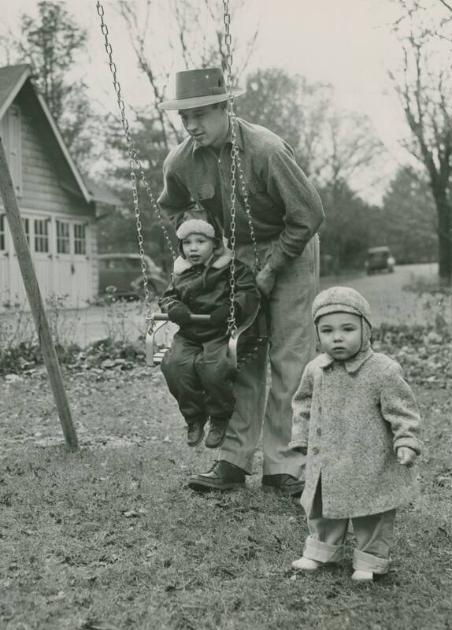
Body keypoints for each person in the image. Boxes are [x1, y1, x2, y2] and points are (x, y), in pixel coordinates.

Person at [158, 67, 324, 495]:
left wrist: (271, 270)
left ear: (224, 109)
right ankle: (233, 460)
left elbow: (308, 215)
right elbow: (172, 207)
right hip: (236, 256)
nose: (192, 126)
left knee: (289, 356)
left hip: (292, 245)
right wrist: (198, 240)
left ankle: (283, 465)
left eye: (201, 115)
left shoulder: (266, 150)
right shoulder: (180, 161)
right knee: (238, 354)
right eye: (185, 118)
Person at [289, 286, 422, 582]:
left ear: (366, 329)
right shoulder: (316, 369)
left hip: (369, 459)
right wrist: (301, 438)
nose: (337, 337)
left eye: (348, 329)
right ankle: (320, 550)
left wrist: (406, 440)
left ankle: (370, 559)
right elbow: (303, 405)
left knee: (371, 510)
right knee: (321, 507)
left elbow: (403, 410)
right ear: (317, 335)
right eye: (327, 330)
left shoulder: (382, 370)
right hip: (327, 460)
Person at [159, 218, 260, 450]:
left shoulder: (232, 269)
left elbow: (248, 293)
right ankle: (194, 417)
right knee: (174, 366)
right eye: (187, 243)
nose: (193, 248)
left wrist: (230, 309)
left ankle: (219, 417)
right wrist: (175, 308)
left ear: (215, 244)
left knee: (213, 368)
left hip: (220, 331)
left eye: (200, 241)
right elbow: (167, 297)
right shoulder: (181, 273)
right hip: (189, 333)